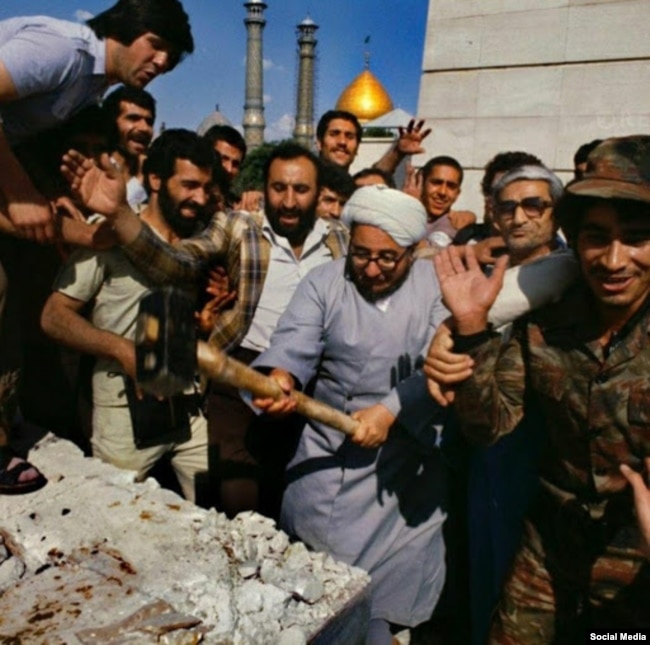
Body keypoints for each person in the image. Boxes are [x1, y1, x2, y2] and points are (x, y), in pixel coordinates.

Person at [431, 135, 650, 641]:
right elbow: (490, 425)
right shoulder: (547, 321)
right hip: (549, 551)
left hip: (637, 571)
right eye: (596, 236)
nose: (613, 261)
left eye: (636, 237)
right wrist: (470, 331)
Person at [61, 141, 349, 518]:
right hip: (236, 376)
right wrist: (118, 216)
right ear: (264, 190)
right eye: (279, 188)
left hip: (308, 383)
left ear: (318, 192)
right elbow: (178, 262)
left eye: (301, 190)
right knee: (235, 505)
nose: (289, 202)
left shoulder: (340, 240)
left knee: (293, 494)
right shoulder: (237, 226)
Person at [0, 0, 193, 494]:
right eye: (157, 45)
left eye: (171, 60)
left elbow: (46, 207)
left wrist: (89, 226)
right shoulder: (63, 50)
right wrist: (20, 191)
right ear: (129, 26)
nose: (162, 64)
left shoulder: (90, 92)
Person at [251, 185, 448, 645]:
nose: (372, 269)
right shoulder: (324, 281)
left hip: (407, 471)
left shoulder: (437, 286)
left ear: (413, 250)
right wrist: (282, 378)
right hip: (330, 459)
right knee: (321, 592)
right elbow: (294, 341)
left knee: (388, 601)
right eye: (361, 255)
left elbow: (444, 358)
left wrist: (391, 409)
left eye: (387, 258)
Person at [40, 129, 215, 503]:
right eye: (188, 185)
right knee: (119, 523)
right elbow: (53, 317)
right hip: (124, 415)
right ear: (155, 179)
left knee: (217, 518)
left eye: (205, 188)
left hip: (187, 409)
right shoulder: (108, 236)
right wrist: (121, 349)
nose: (198, 198)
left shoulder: (200, 240)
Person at [102, 85, 156, 207]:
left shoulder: (154, 180)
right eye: (133, 118)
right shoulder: (94, 169)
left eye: (149, 122)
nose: (144, 128)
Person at [416, 155, 475, 248]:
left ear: (457, 194)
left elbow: (430, 252)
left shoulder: (453, 223)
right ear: (421, 185)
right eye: (436, 182)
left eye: (451, 186)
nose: (442, 192)